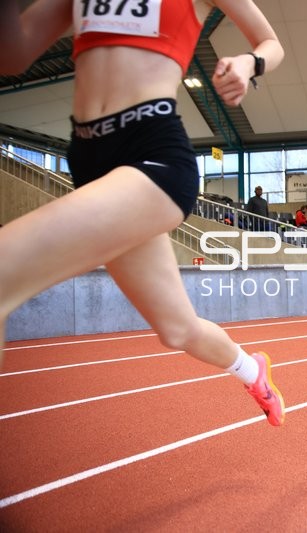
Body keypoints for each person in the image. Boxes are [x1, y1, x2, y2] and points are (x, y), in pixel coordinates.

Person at [0, 0, 285, 425]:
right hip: (89, 158)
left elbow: (271, 42)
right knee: (178, 329)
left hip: (153, 157)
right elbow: (13, 54)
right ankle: (252, 370)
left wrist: (248, 63)